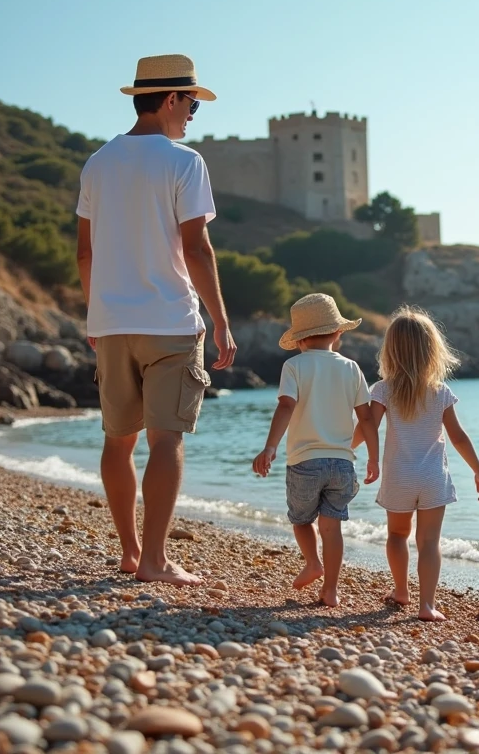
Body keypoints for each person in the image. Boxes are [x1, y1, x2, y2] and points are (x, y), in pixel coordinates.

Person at [75, 54, 237, 586]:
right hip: (169, 321)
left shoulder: (97, 163)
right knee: (166, 441)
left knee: (117, 441)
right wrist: (221, 321)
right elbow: (198, 250)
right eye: (191, 103)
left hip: (113, 324)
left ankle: (129, 551)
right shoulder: (184, 162)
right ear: (170, 99)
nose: (193, 114)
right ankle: (156, 560)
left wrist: (97, 313)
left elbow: (84, 254)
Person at [356, 307, 479, 621]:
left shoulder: (383, 390)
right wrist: (478, 469)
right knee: (429, 541)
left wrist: (342, 447)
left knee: (397, 536)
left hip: (399, 476)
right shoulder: (440, 392)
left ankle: (401, 590)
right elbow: (457, 437)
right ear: (432, 350)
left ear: (390, 351)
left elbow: (367, 428)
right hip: (432, 477)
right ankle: (427, 605)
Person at [252, 293, 380, 606]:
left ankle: (313, 562)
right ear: (339, 333)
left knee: (301, 519)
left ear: (299, 340)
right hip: (342, 463)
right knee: (331, 526)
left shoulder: (294, 366)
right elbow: (366, 418)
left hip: (304, 461)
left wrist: (270, 447)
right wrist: (375, 457)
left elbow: (285, 406)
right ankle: (331, 590)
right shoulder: (351, 368)